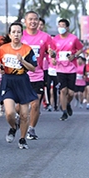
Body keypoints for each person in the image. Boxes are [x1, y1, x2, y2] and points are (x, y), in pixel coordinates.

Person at [0, 22, 38, 149]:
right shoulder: (3, 49)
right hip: (8, 81)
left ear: (22, 34)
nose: (16, 34)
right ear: (9, 34)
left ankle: (22, 139)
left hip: (22, 81)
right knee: (9, 113)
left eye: (18, 32)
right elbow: (0, 66)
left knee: (24, 115)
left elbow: (33, 68)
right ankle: (13, 126)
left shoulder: (27, 49)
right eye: (13, 32)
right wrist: (0, 69)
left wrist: (22, 61)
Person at [21, 11, 52, 140]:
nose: (33, 22)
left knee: (35, 104)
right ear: (25, 21)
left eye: (35, 19)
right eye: (30, 19)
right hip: (20, 75)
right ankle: (20, 118)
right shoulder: (19, 36)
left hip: (37, 74)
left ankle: (31, 129)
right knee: (19, 106)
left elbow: (51, 51)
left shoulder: (45, 37)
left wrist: (52, 55)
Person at [50, 19, 83, 121]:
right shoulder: (55, 39)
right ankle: (64, 111)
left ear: (67, 27)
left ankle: (67, 103)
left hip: (71, 68)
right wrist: (53, 59)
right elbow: (52, 52)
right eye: (59, 25)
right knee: (63, 90)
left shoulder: (73, 39)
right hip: (60, 68)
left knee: (71, 93)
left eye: (63, 26)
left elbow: (81, 49)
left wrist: (74, 56)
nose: (61, 28)